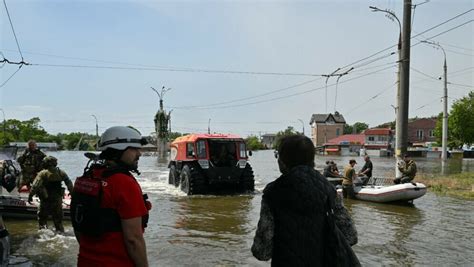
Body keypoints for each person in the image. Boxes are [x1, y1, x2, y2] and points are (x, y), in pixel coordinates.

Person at [251, 135, 359, 266]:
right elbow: (350, 236)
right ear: (311, 160)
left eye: (278, 156)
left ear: (284, 161)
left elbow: (262, 252)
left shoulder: (273, 192)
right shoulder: (328, 189)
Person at [72, 126, 151, 267]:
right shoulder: (124, 183)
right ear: (118, 150)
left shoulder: (85, 179)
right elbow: (133, 240)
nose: (139, 154)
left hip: (85, 261)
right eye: (134, 149)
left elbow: (78, 226)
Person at [27, 156, 73, 232]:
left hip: (45, 200)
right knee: (58, 220)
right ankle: (60, 232)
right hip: (57, 199)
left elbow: (35, 186)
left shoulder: (43, 173)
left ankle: (44, 234)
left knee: (42, 219)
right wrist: (71, 193)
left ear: (46, 163)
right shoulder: (61, 172)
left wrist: (30, 196)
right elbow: (69, 184)